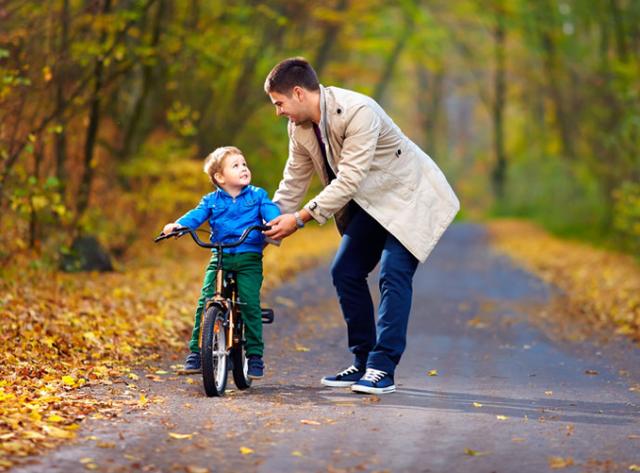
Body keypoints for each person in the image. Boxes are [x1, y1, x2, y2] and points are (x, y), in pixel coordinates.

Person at [263, 58, 460, 395]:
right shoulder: (299, 128)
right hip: (372, 203)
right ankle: (363, 360)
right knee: (345, 271)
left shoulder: (358, 111)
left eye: (279, 104)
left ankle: (382, 368)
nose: (278, 112)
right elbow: (293, 181)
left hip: (409, 198)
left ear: (298, 93)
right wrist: (264, 231)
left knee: (393, 274)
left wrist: (300, 219)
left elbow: (350, 179)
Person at [163, 146, 280, 378]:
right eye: (235, 166)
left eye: (244, 164)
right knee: (205, 300)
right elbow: (195, 216)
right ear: (220, 177)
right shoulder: (211, 200)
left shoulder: (257, 195)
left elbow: (271, 210)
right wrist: (178, 225)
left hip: (248, 258)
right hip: (221, 256)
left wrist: (274, 220)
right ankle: (197, 352)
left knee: (249, 302)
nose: (243, 168)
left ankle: (255, 355)